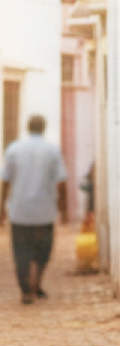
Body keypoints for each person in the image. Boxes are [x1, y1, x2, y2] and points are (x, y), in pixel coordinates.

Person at [0, 115, 67, 304]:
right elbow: (61, 181)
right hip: (44, 211)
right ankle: (36, 282)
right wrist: (63, 209)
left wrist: (1, 208)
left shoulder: (14, 149)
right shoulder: (52, 151)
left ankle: (26, 291)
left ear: (27, 128)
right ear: (44, 128)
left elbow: (5, 180)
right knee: (43, 250)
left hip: (19, 211)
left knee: (21, 252)